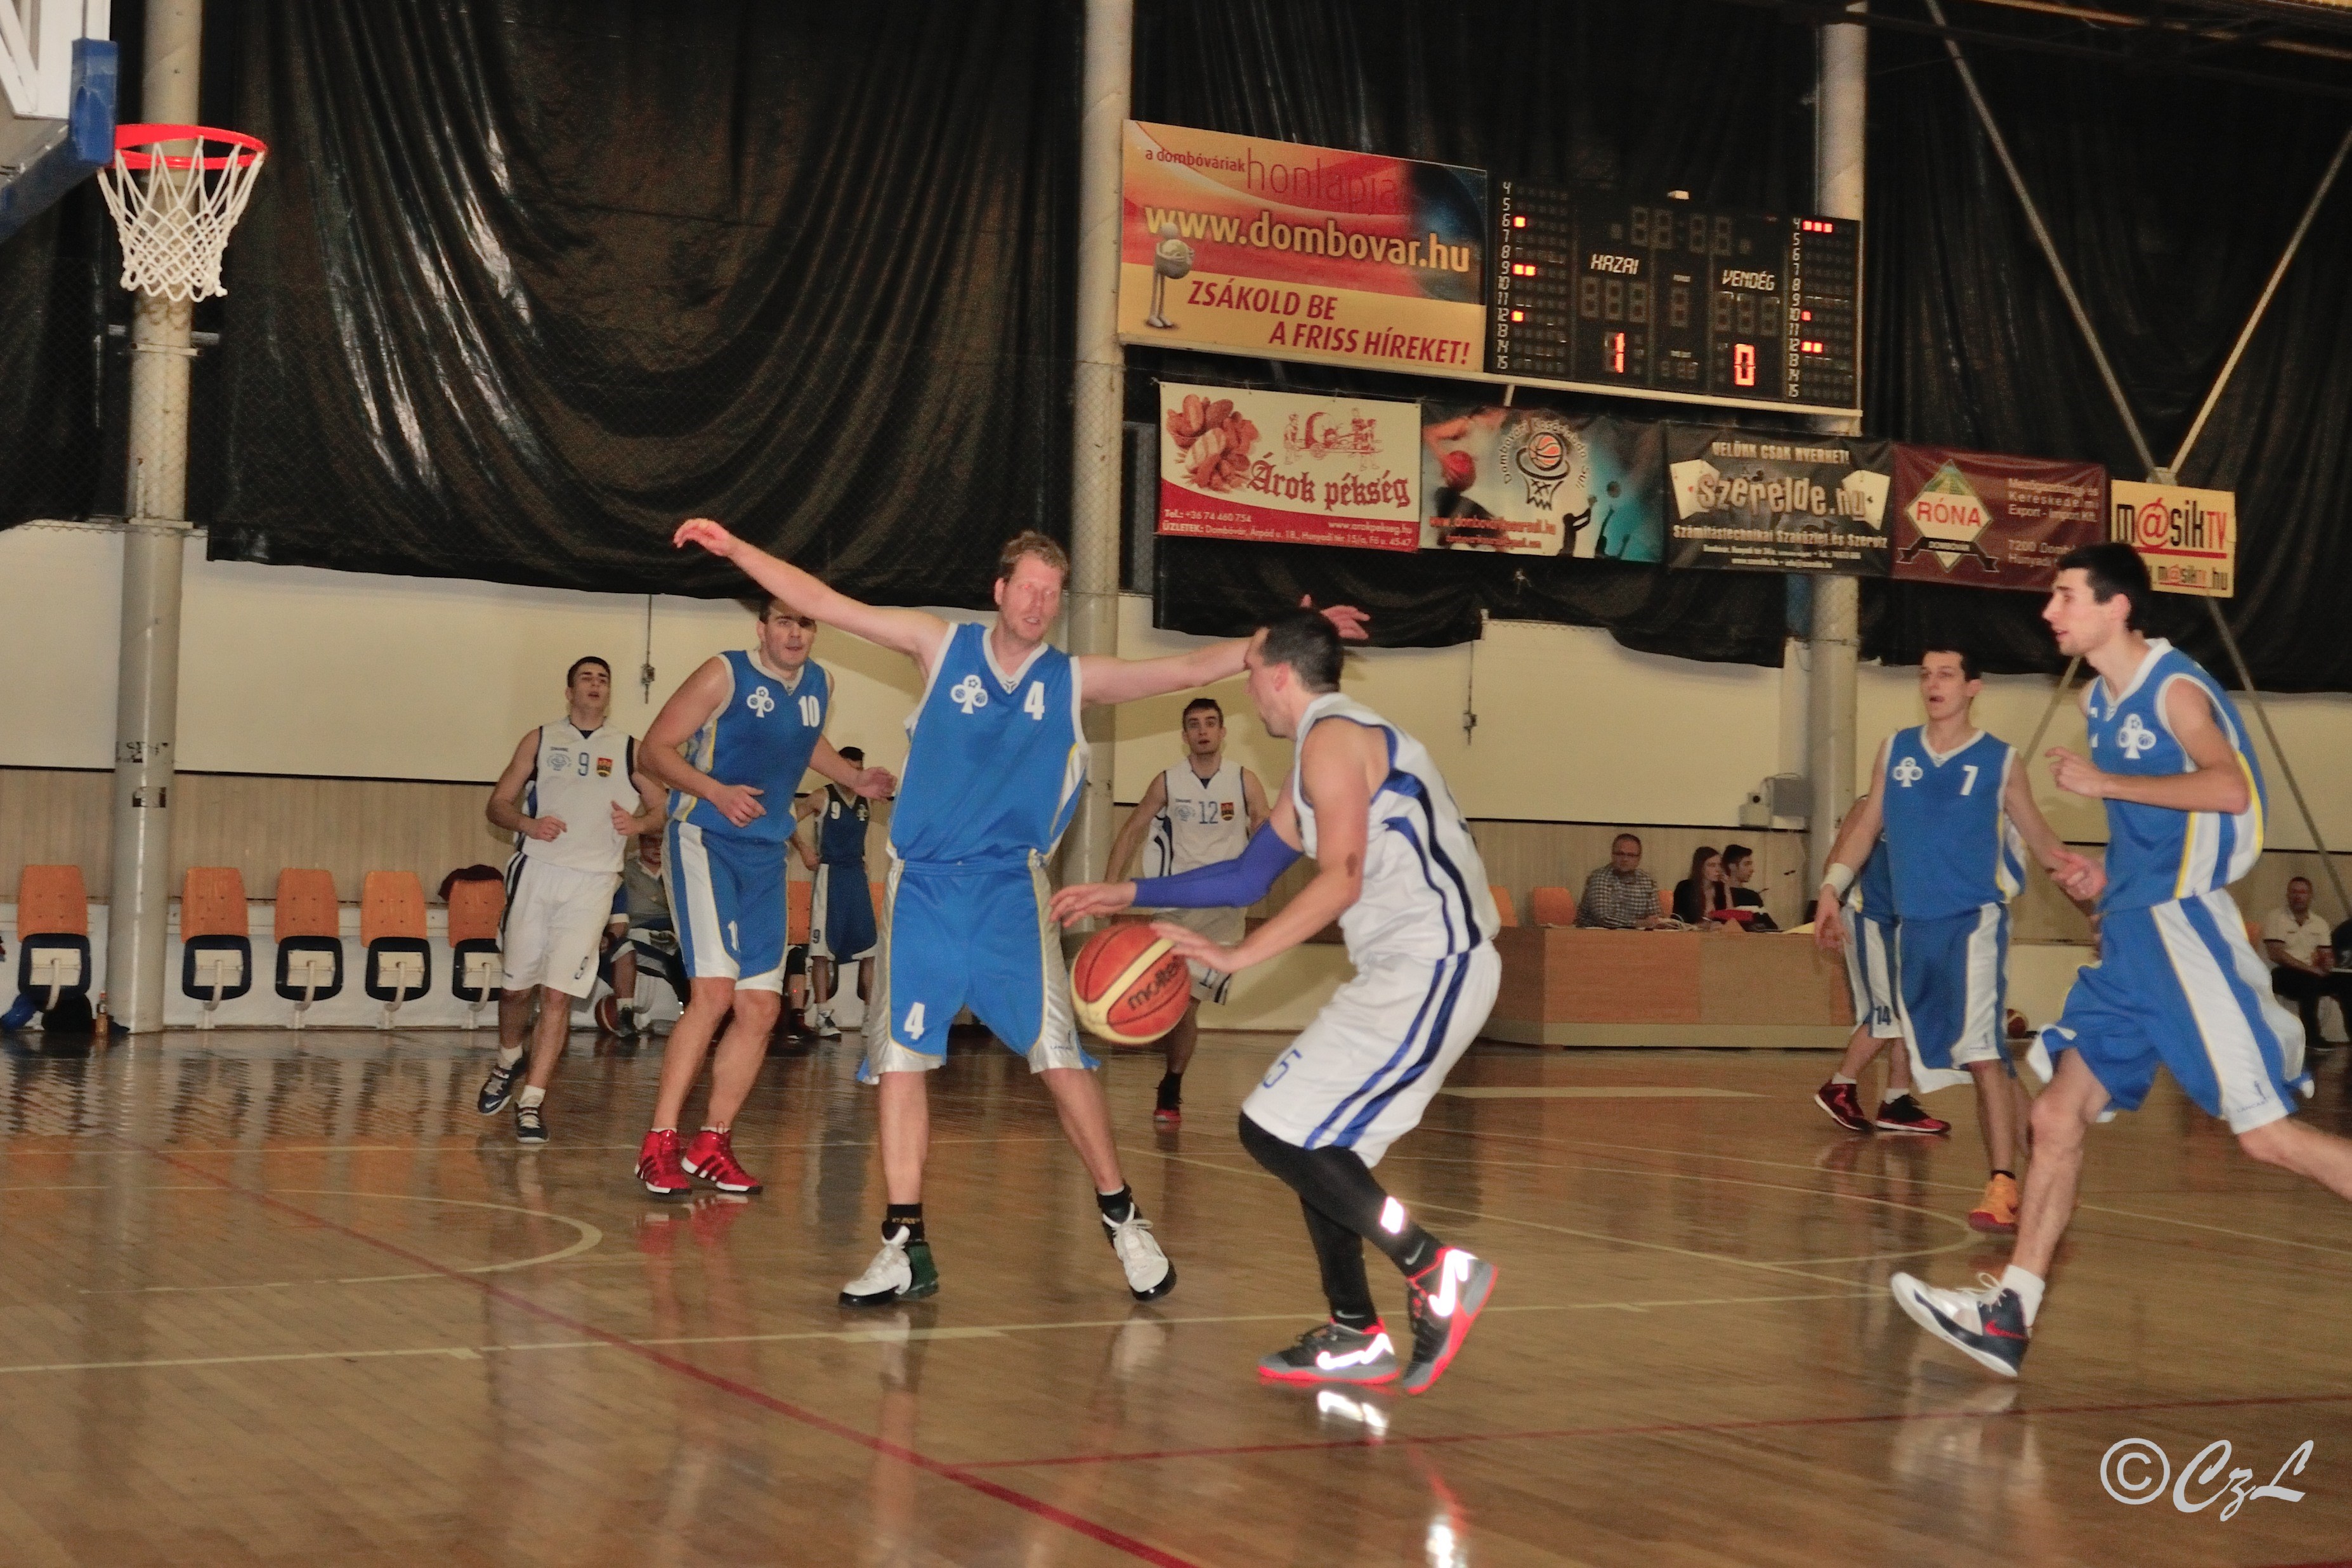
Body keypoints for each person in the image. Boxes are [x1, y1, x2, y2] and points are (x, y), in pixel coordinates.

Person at [671, 517, 1368, 1308]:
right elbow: (827, 603)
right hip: (922, 889)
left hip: (1009, 892)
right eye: (1028, 589)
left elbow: (1182, 668)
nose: (1038, 603)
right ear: (1000, 592)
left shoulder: (1070, 680)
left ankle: (1124, 1219)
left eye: (1052, 594)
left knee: (1058, 1056)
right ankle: (902, 1244)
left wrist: (1286, 639)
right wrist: (738, 550)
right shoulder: (939, 646)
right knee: (900, 1063)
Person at [1890, 544, 2349, 1378]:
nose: (2049, 611)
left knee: (2266, 1139)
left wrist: (2106, 785)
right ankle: (2009, 1315)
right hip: (2133, 933)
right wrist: (2106, 876)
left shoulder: (2172, 690)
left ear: (2117, 607)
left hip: (2182, 934)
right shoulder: (2098, 699)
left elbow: (2229, 790)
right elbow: (2155, 831)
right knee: (2054, 1118)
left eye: (2065, 596)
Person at [1053, 610, 1501, 1394]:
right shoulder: (1318, 753)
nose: (1245, 685)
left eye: (1251, 670)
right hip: (1403, 972)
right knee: (1308, 1140)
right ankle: (1355, 1329)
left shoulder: (1334, 739)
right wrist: (1127, 892)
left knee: (1275, 1130)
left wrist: (1238, 955)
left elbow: (1342, 878)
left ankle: (1432, 1267)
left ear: (1279, 675)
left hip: (1436, 966)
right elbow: (1247, 876)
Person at [1813, 647, 2084, 1233]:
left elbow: (2042, 841)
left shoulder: (1999, 760)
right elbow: (1867, 824)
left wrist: (2096, 906)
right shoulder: (1896, 750)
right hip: (1915, 929)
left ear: (1972, 687)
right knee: (1981, 1058)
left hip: (1974, 922)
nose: (1933, 684)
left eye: (1946, 675)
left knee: (1983, 1051)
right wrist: (1832, 887)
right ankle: (2049, 1164)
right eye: (1926, 675)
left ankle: (2002, 1185)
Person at [632, 599, 893, 1198]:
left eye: (805, 623)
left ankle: (711, 1143)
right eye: (783, 621)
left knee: (760, 1009)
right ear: (763, 628)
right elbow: (654, 750)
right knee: (714, 994)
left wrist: (853, 778)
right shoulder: (723, 673)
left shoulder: (821, 684)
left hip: (765, 853)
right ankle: (659, 1143)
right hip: (705, 840)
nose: (795, 633)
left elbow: (804, 740)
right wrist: (715, 791)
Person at [478, 656, 665, 1144]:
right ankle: (507, 1060)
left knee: (559, 994)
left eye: (603, 679)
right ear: (570, 691)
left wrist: (639, 824)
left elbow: (664, 807)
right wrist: (528, 824)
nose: (596, 685)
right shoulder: (540, 740)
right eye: (587, 678)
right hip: (537, 874)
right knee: (516, 990)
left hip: (593, 883)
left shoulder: (630, 749)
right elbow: (497, 805)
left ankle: (532, 1102)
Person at [1102, 696, 1271, 1125]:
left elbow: (1264, 824)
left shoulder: (1244, 780)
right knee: (1176, 999)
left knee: (1189, 1003)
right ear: (1185, 735)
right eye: (1194, 724)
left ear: (1222, 732)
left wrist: (1263, 861)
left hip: (1223, 908)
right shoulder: (1167, 782)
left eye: (1210, 723)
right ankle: (1170, 1082)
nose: (1203, 731)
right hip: (1175, 903)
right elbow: (1132, 831)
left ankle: (1172, 1080)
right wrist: (1111, 888)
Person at [1813, 836, 1946, 1136]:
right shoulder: (1872, 811)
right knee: (1886, 1013)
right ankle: (1840, 1086)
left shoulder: (1928, 815)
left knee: (1909, 1011)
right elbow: (1839, 854)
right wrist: (1830, 902)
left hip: (1905, 922)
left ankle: (1896, 1101)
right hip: (1871, 917)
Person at [795, 745, 883, 1038]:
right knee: (822, 950)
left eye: (858, 770)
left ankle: (870, 1016)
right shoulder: (821, 796)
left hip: (856, 876)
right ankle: (823, 1015)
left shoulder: (866, 799)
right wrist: (804, 849)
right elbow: (786, 820)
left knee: (869, 948)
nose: (853, 775)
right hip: (830, 875)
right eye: (849, 769)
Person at [2264, 876, 2349, 1047]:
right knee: (2309, 983)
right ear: (2288, 895)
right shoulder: (2275, 918)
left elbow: (2326, 953)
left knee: (2346, 983)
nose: (2298, 896)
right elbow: (2277, 954)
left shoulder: (2319, 923)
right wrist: (2311, 970)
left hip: (2312, 973)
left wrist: (2327, 962)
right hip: (2281, 973)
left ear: (2310, 896)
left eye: (2303, 892)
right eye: (2294, 892)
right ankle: (2312, 1037)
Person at [1577, 834, 1663, 929]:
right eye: (1620, 854)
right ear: (1612, 855)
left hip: (1635, 935)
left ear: (1639, 858)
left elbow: (1654, 917)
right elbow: (1604, 918)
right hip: (1595, 935)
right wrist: (1638, 923)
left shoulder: (1647, 881)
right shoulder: (1599, 878)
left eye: (1631, 855)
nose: (1625, 859)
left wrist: (1652, 923)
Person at [1671, 846, 1734, 927]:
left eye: (1720, 865)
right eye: (1712, 865)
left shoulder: (1720, 888)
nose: (1718, 869)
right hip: (1692, 933)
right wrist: (1705, 926)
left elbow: (1731, 920)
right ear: (1700, 867)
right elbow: (1678, 921)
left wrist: (1727, 889)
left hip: (1718, 933)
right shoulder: (1685, 887)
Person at [1721, 843, 1778, 931]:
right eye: (1746, 864)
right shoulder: (1721, 895)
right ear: (1732, 866)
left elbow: (1772, 927)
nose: (1752, 870)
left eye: (1751, 864)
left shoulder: (1753, 896)